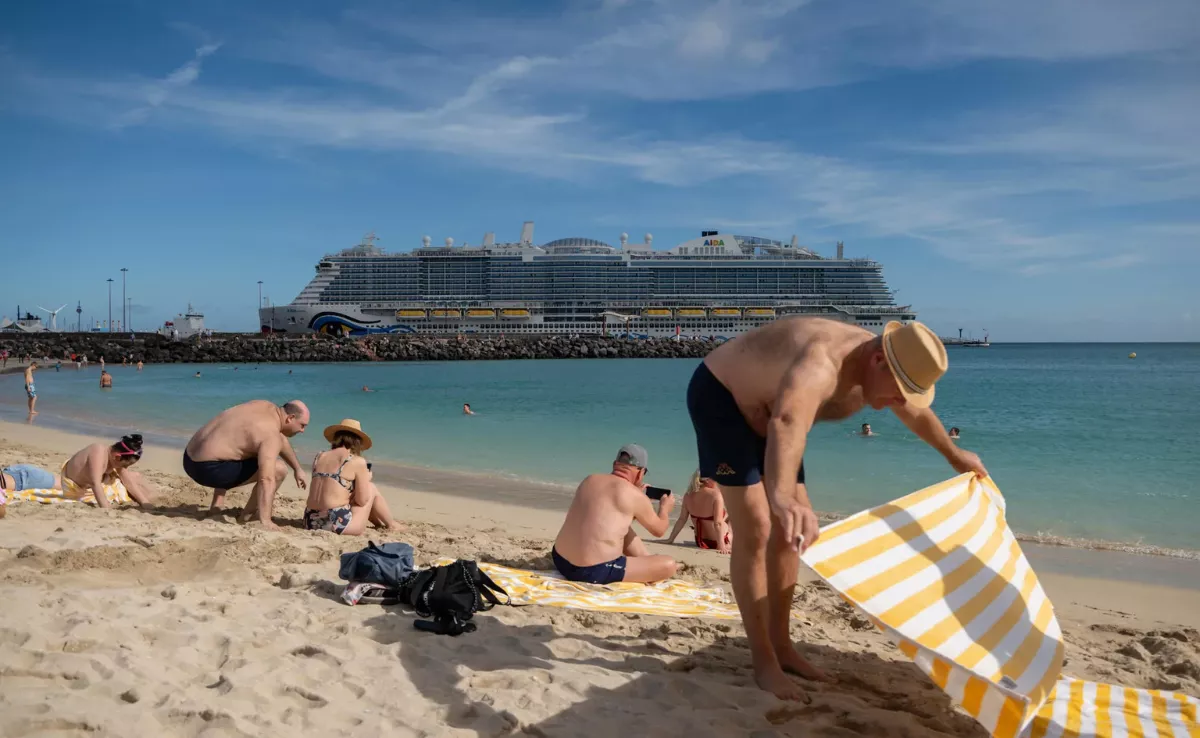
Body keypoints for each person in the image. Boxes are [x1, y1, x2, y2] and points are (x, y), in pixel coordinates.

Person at [686, 317, 987, 701]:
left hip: (774, 411)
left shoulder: (878, 363)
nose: (898, 403)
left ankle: (783, 647)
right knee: (759, 525)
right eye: (899, 392)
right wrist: (780, 496)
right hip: (723, 397)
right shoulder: (822, 364)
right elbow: (788, 420)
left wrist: (954, 455)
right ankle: (764, 663)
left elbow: (912, 410)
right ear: (878, 360)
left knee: (792, 531)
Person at [550, 444, 678, 584]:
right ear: (641, 472)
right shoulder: (634, 495)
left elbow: (614, 518)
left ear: (615, 464)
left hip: (560, 560)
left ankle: (645, 560)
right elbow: (659, 530)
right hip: (593, 570)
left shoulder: (589, 479)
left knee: (623, 528)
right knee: (669, 564)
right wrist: (665, 508)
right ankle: (649, 568)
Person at [183, 400, 311, 529]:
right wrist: (266, 520)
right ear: (290, 418)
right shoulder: (270, 434)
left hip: (189, 457)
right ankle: (247, 516)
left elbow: (280, 438)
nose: (302, 430)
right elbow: (266, 479)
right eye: (302, 425)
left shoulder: (263, 405)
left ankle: (217, 503)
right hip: (206, 470)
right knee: (279, 469)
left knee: (242, 444)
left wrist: (297, 468)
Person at [303, 419, 402, 535]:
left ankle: (380, 524)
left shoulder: (320, 456)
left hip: (309, 521)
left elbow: (328, 487)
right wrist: (366, 479)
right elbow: (362, 501)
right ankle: (392, 524)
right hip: (336, 525)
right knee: (371, 488)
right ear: (357, 441)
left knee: (353, 492)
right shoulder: (356, 461)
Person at [61, 434, 156, 507]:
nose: (125, 468)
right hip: (77, 488)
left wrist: (144, 502)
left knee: (134, 476)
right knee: (134, 478)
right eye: (125, 465)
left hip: (93, 483)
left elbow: (127, 480)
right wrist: (106, 507)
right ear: (117, 457)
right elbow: (95, 483)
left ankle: (149, 500)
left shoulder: (112, 457)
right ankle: (152, 497)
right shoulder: (98, 452)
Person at [665, 471, 732, 553]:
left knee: (728, 514)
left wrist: (670, 539)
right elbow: (717, 523)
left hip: (700, 541)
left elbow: (682, 520)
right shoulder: (715, 495)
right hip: (721, 541)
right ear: (707, 480)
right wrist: (721, 545)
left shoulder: (688, 495)